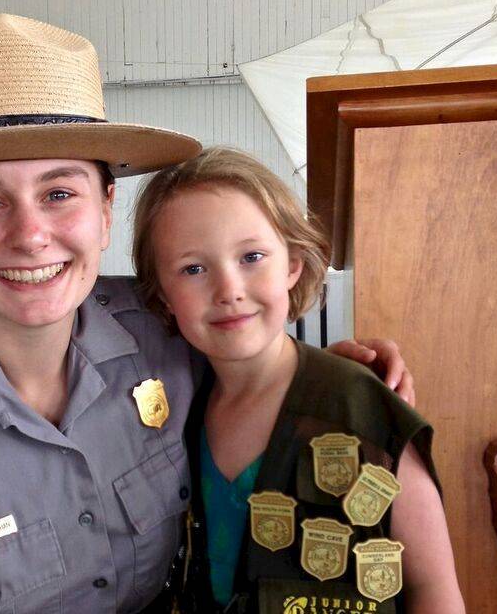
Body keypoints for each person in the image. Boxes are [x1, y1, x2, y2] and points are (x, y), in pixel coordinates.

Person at [0, 15, 414, 614]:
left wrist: (330, 381)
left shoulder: (166, 330)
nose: (31, 236)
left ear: (106, 209)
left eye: (59, 194)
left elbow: (253, 360)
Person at [132, 147, 465, 613]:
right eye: (193, 269)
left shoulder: (362, 403)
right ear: (163, 295)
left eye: (251, 256)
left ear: (293, 264)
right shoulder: (175, 405)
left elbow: (433, 587)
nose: (229, 290)